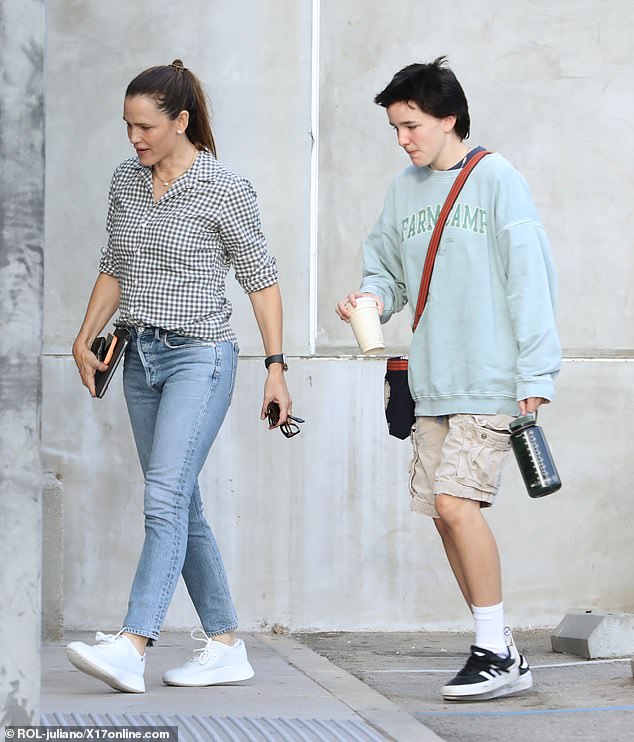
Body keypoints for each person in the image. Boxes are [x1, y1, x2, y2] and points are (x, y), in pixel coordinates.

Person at [336, 57, 560, 701]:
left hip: (491, 379)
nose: (403, 139)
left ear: (448, 119)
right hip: (433, 380)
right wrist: (368, 301)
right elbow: (388, 272)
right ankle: (501, 647)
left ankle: (493, 650)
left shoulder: (497, 179)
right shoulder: (402, 191)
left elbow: (530, 278)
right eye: (395, 128)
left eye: (411, 125)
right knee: (442, 512)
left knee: (458, 505)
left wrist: (536, 370)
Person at [67, 59, 293, 693]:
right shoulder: (126, 182)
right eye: (127, 127)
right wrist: (84, 336)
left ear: (180, 122)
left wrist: (275, 368)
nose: (134, 139)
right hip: (139, 359)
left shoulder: (224, 187)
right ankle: (225, 644)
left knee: (163, 500)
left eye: (145, 127)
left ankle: (133, 644)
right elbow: (114, 265)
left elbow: (262, 281)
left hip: (202, 358)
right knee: (179, 502)